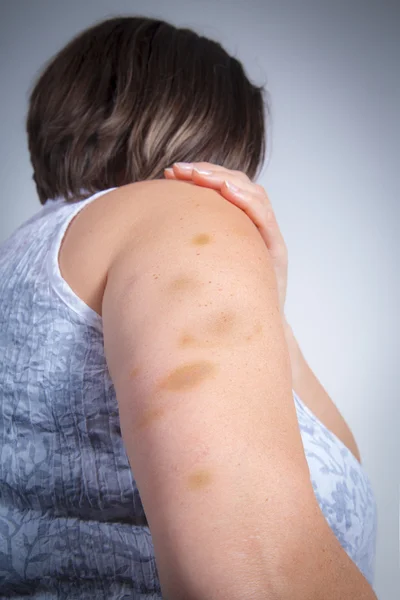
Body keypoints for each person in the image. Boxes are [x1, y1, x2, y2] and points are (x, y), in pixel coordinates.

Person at [0, 15, 377, 600]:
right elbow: (261, 579)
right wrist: (212, 238)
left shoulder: (25, 259)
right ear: (213, 128)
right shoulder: (183, 219)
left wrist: (267, 307)